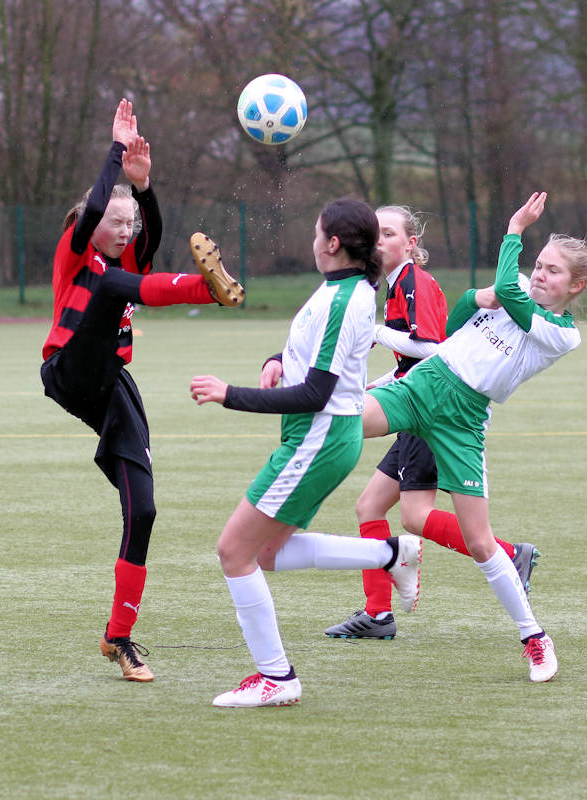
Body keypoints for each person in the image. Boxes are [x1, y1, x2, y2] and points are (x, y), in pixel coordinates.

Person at [362, 192, 587, 681]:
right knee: (340, 428)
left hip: (463, 419)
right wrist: (473, 299)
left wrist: (515, 228)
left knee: (480, 542)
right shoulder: (515, 288)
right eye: (538, 265)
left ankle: (534, 637)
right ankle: (374, 553)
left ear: (576, 285)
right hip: (424, 384)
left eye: (552, 271)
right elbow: (457, 322)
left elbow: (507, 286)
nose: (539, 274)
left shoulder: (561, 331)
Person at [40, 98, 244, 683]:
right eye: (115, 219)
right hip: (69, 370)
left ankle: (120, 637)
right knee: (113, 286)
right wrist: (113, 152)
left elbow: (146, 237)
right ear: (92, 223)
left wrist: (144, 186)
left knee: (145, 509)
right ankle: (204, 291)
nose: (124, 227)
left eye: (127, 222)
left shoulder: (126, 249)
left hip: (109, 385)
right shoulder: (75, 253)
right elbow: (110, 242)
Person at [189, 198, 423, 708]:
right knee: (266, 554)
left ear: (333, 243)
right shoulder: (343, 289)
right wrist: (279, 360)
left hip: (319, 438)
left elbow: (317, 392)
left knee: (234, 552)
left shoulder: (345, 299)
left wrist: (231, 395)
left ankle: (276, 677)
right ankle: (390, 553)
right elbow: (316, 355)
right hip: (317, 437)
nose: (313, 240)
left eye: (318, 233)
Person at [325, 205, 538, 641]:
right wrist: (369, 384)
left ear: (411, 243)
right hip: (412, 402)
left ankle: (507, 553)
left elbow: (433, 350)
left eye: (388, 233)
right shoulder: (394, 285)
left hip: (431, 408)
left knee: (415, 517)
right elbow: (408, 364)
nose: (379, 240)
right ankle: (378, 614)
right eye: (374, 233)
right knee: (370, 507)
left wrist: (377, 332)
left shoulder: (413, 282)